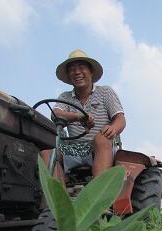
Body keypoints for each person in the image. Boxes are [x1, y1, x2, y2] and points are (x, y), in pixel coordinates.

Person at [52, 49, 126, 179]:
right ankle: (59, 197)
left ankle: (98, 195)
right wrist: (78, 117)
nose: (77, 72)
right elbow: (55, 114)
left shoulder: (105, 92)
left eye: (81, 67)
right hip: (74, 149)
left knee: (101, 138)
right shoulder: (65, 97)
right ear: (69, 75)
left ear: (91, 71)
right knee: (47, 154)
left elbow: (120, 118)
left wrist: (113, 128)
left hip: (104, 147)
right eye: (72, 69)